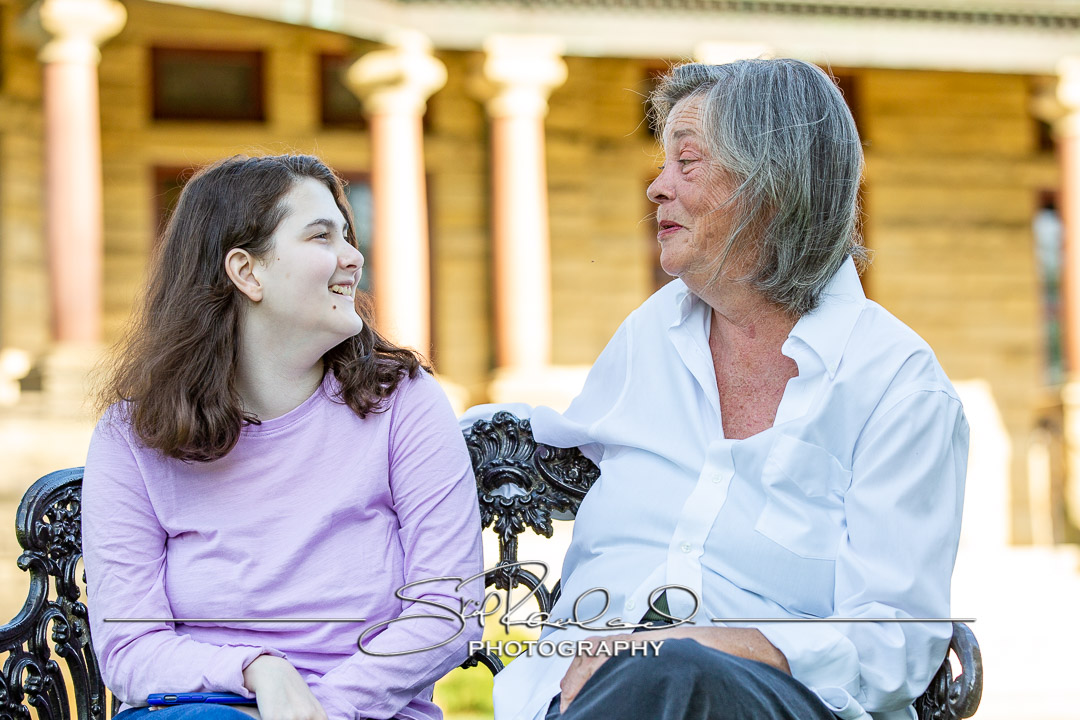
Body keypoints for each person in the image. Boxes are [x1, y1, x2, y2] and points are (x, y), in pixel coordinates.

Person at [465, 59, 968, 720]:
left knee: (677, 672)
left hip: (773, 703)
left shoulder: (896, 384)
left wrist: (706, 645)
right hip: (577, 699)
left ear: (772, 183)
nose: (656, 187)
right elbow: (529, 437)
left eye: (688, 161)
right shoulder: (650, 336)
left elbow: (894, 643)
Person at [82, 154, 484, 720]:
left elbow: (447, 612)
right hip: (203, 708)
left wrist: (321, 709)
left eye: (348, 235)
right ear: (247, 272)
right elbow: (128, 646)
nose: (353, 258)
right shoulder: (132, 436)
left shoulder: (403, 404)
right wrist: (258, 670)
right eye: (322, 236)